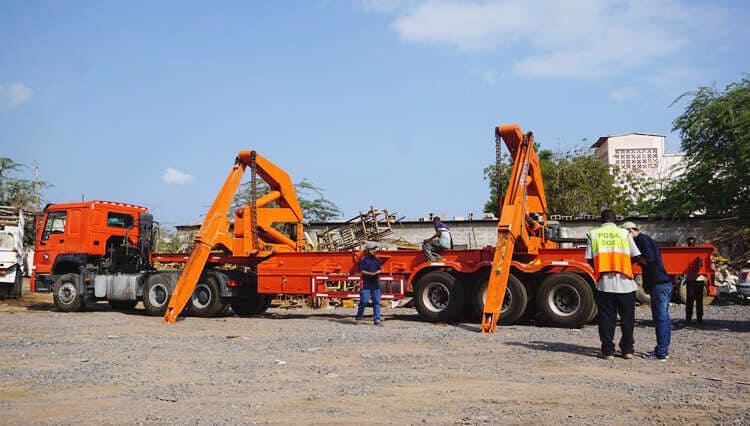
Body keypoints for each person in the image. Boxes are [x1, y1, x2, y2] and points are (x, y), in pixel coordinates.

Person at [585, 210, 641, 360]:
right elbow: (636, 256)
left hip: (605, 284)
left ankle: (608, 351)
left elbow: (589, 259)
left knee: (606, 319)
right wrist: (624, 266)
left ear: (601, 220)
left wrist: (601, 268)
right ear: (616, 220)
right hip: (626, 284)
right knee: (627, 319)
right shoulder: (624, 234)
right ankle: (627, 350)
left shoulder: (594, 234)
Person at [622, 222, 672, 361]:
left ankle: (661, 352)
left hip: (659, 284)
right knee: (664, 319)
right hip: (663, 283)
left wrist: (634, 258)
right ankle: (662, 350)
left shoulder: (642, 240)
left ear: (631, 231)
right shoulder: (646, 239)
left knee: (660, 318)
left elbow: (649, 259)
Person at [356, 242, 383, 326]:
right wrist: (370, 274)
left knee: (376, 302)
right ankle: (359, 318)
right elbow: (362, 270)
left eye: (374, 249)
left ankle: (377, 319)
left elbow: (380, 269)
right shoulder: (363, 260)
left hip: (375, 284)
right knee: (364, 301)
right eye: (372, 249)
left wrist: (378, 272)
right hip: (366, 284)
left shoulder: (377, 260)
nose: (374, 251)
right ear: (368, 250)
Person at [684, 236, 705, 324]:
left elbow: (702, 264)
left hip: (698, 280)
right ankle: (689, 318)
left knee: (698, 300)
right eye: (690, 243)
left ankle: (699, 318)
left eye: (692, 243)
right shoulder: (686, 253)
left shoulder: (699, 253)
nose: (691, 245)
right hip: (691, 280)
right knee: (690, 300)